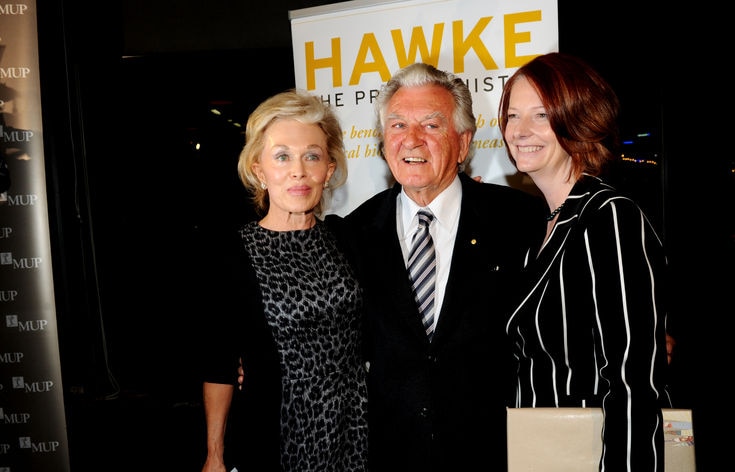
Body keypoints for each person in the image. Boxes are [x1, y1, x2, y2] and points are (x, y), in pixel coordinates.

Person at [345, 62, 546, 472]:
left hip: (497, 453)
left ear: (464, 142)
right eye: (398, 125)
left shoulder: (521, 220)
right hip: (391, 456)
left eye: (432, 126)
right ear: (384, 142)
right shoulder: (353, 234)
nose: (411, 140)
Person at [498, 51, 671, 470]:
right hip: (542, 453)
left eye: (541, 115)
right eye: (512, 115)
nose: (520, 131)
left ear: (578, 119)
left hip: (592, 457)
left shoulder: (609, 217)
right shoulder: (542, 228)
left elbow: (634, 383)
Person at [199, 89, 368, 472]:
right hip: (273, 439)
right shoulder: (233, 253)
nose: (299, 170)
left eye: (312, 155)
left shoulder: (348, 238)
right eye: (282, 156)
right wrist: (214, 454)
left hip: (353, 433)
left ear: (329, 168)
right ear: (259, 169)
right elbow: (219, 364)